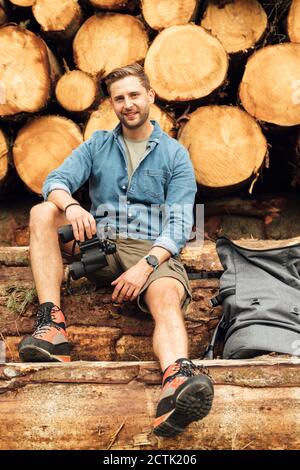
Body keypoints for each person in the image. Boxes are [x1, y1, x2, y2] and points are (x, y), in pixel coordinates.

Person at [18, 64, 214, 437]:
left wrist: (146, 266)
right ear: (112, 104)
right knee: (43, 211)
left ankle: (176, 383)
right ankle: (52, 327)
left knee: (167, 296)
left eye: (134, 95)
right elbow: (55, 181)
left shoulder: (175, 156)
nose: (128, 104)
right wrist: (73, 206)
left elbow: (178, 226)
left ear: (150, 96)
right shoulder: (97, 145)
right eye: (119, 98)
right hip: (99, 241)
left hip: (152, 250)